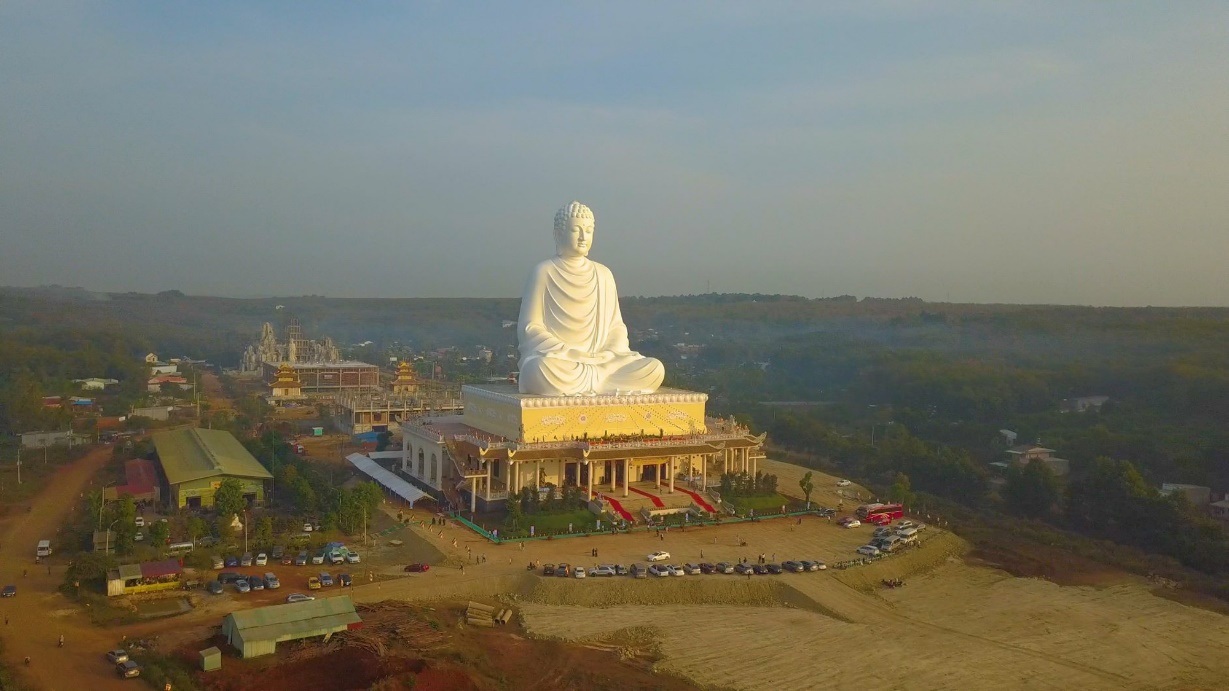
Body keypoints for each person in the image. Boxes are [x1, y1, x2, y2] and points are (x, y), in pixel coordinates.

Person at [516, 202, 665, 396]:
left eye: (588, 230)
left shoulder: (603, 274)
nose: (582, 237)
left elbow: (616, 327)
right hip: (563, 360)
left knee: (654, 369)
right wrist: (569, 351)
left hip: (604, 361)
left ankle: (599, 383)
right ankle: (603, 385)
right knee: (539, 369)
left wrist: (610, 352)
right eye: (575, 230)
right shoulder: (544, 271)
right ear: (558, 234)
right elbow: (529, 327)